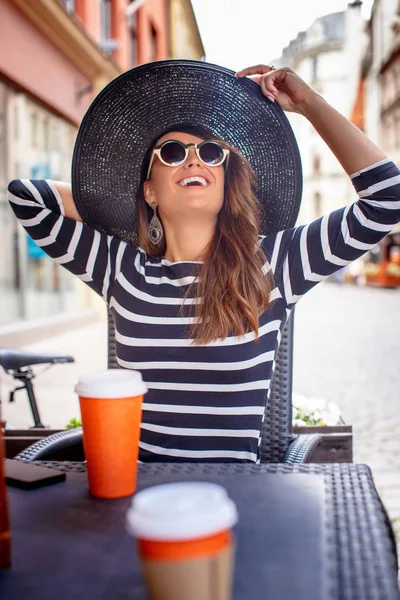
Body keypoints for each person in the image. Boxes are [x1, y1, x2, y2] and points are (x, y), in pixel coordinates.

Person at [7, 61, 400, 463]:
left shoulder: (276, 263)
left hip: (235, 502)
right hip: (139, 499)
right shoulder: (121, 269)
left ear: (227, 183)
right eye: (173, 153)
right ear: (150, 189)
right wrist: (136, 209)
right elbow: (26, 197)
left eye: (212, 154)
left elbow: (387, 199)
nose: (194, 161)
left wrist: (309, 103)